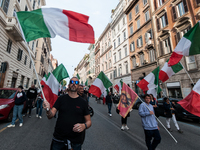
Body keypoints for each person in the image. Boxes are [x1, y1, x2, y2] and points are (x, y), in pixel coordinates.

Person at [43, 77, 91, 150]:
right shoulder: (61, 99)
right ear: (69, 84)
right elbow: (51, 115)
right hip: (59, 139)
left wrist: (84, 126)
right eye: (72, 82)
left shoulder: (83, 102)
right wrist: (48, 109)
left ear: (78, 86)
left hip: (75, 141)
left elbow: (89, 121)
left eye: (76, 82)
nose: (74, 84)